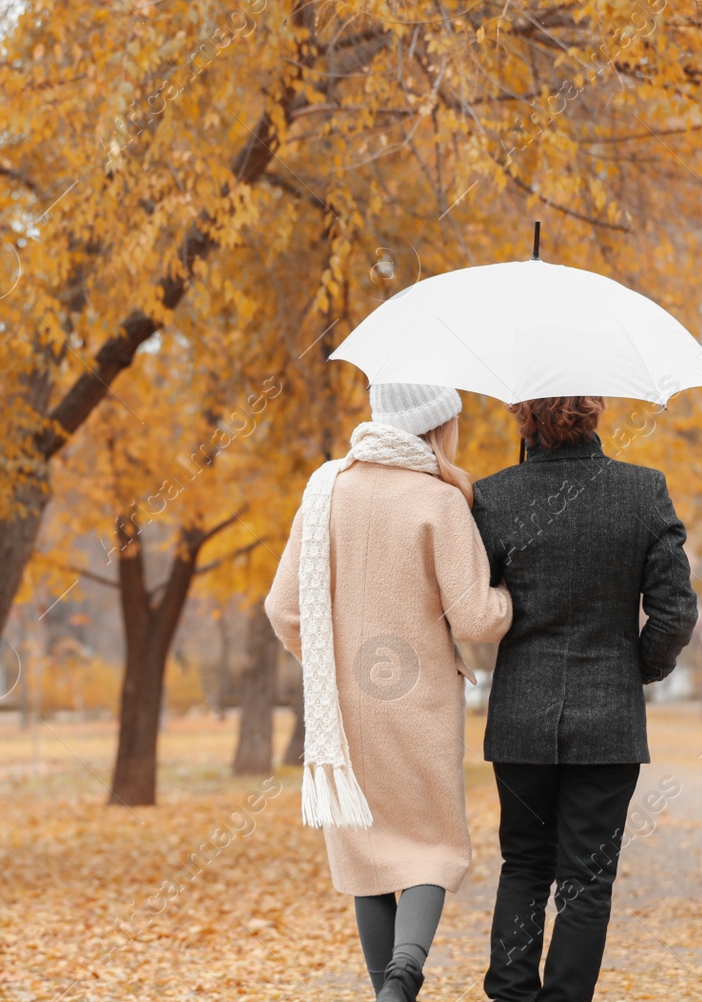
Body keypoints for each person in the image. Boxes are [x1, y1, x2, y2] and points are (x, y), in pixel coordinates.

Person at [266, 383, 513, 1002]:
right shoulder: (439, 501)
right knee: (430, 844)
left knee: (367, 856)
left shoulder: (325, 492)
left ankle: (387, 990)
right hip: (420, 704)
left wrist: (327, 658)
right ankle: (406, 971)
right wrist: (510, 597)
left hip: (342, 709)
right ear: (437, 426)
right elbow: (478, 619)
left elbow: (282, 608)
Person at [472, 396, 698, 1002]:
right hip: (608, 721)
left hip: (520, 716)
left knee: (523, 866)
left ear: (523, 417)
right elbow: (675, 613)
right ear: (593, 414)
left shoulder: (493, 497)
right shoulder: (643, 491)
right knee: (586, 883)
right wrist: (637, 670)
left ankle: (511, 995)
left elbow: (474, 606)